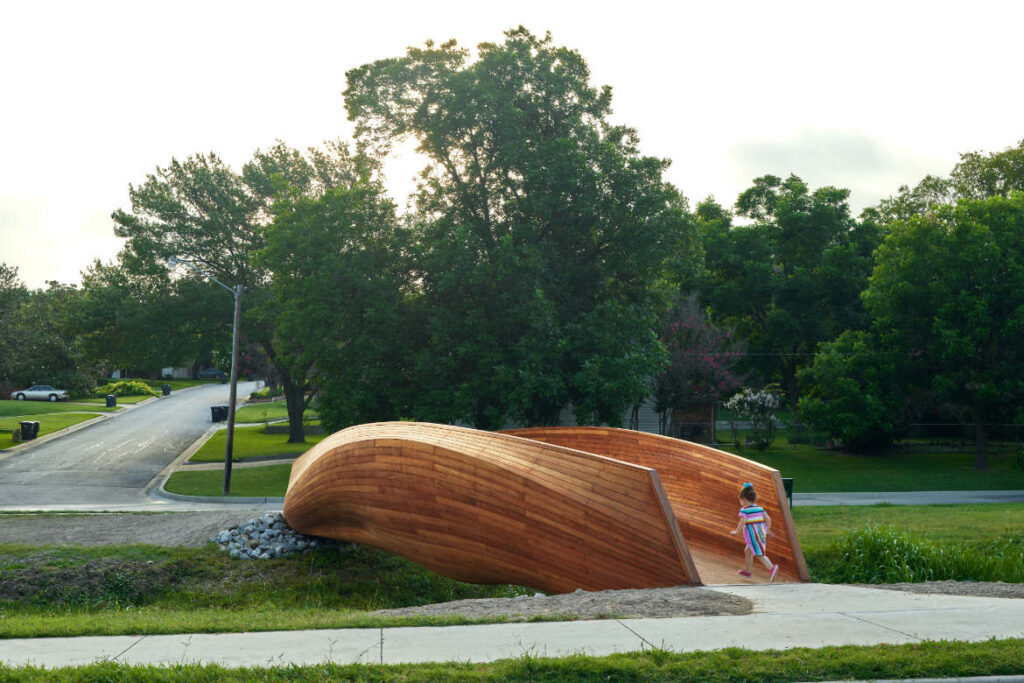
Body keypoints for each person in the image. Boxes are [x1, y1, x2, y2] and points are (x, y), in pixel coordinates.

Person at [729, 482, 779, 582]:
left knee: (759, 554)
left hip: (753, 536)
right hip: (760, 534)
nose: (740, 502)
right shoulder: (759, 508)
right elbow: (768, 519)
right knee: (748, 551)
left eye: (740, 500)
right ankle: (747, 571)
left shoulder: (744, 510)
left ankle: (772, 568)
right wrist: (767, 529)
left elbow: (742, 522)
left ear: (743, 499)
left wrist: (736, 531)